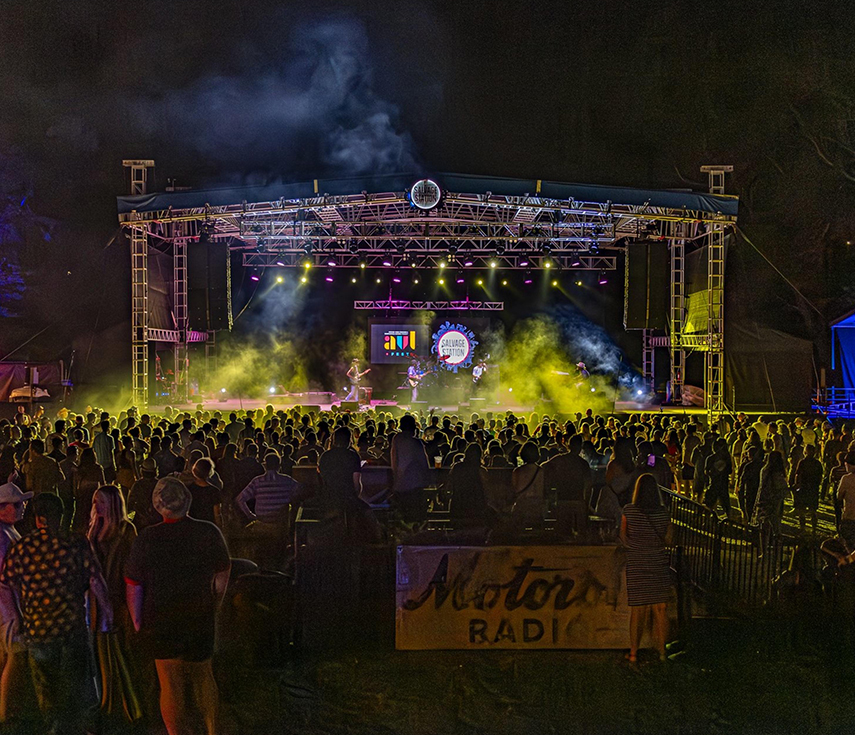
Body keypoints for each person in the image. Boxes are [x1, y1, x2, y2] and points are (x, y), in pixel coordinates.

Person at [125, 478, 230, 735]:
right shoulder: (208, 532)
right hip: (198, 614)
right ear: (187, 501)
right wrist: (215, 603)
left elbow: (133, 583)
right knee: (204, 677)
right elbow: (223, 572)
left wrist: (137, 620)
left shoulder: (147, 538)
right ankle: (212, 729)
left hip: (160, 617)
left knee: (170, 684)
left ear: (157, 505)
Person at [0, 493, 112, 734]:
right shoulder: (75, 542)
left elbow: (5, 582)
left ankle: (54, 729)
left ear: (37, 518)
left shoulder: (22, 547)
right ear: (61, 516)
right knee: (74, 689)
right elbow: (95, 579)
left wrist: (16, 616)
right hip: (71, 627)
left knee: (47, 692)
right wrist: (108, 611)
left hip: (39, 630)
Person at [620, 473, 673, 663]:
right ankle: (662, 653)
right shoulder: (663, 512)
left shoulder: (629, 510)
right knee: (660, 609)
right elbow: (669, 540)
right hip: (657, 562)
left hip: (637, 563)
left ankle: (633, 653)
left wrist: (636, 547)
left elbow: (624, 537)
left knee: (638, 610)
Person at [0, 483, 33, 728]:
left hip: (9, 608)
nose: (23, 507)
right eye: (18, 503)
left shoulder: (9, 531)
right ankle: (7, 714)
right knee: (16, 657)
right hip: (8, 609)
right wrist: (17, 611)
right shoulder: (3, 536)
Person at [235, 452, 301, 524]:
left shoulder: (257, 481)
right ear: (279, 466)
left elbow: (240, 499)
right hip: (281, 521)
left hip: (262, 520)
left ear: (265, 466)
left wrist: (250, 515)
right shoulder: (287, 480)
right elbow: (300, 491)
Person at [390, 414, 432, 521]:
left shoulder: (397, 439)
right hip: (415, 485)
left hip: (400, 484)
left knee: (403, 516)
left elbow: (394, 460)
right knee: (415, 515)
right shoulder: (417, 443)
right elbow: (424, 463)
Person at [794, 443, 823, 536]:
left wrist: (797, 484)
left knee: (802, 510)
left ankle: (803, 528)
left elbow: (797, 474)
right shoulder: (817, 463)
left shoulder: (802, 462)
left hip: (803, 488)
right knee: (813, 510)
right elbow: (820, 476)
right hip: (813, 489)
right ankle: (813, 529)